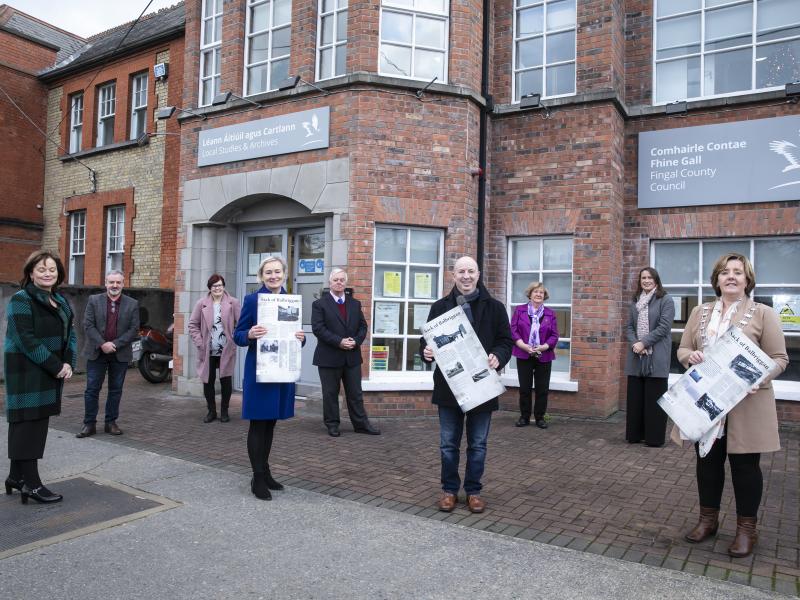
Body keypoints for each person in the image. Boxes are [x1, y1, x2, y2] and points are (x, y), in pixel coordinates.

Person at [676, 253, 787, 558]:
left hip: (747, 404)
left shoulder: (764, 313)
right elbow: (684, 348)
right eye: (725, 272)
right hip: (707, 404)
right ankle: (708, 520)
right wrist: (690, 357)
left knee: (745, 468)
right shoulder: (700, 312)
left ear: (747, 279)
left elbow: (780, 358)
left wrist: (759, 378)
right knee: (707, 465)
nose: (731, 276)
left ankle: (746, 530)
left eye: (738, 272)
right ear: (717, 280)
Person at [420, 256, 513, 514]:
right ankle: (449, 491)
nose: (466, 276)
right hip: (449, 388)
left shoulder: (495, 308)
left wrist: (499, 356)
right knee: (448, 443)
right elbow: (425, 342)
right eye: (461, 271)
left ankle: (473, 492)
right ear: (453, 275)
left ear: (478, 274)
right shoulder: (440, 307)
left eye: (471, 271)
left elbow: (506, 341)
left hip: (482, 388)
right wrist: (426, 351)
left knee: (478, 444)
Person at [4, 250, 76, 504]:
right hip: (26, 371)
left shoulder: (61, 300)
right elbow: (26, 339)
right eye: (42, 269)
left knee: (34, 422)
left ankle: (15, 476)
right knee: (27, 424)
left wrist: (69, 362)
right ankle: (32, 484)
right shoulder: (21, 299)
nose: (47, 273)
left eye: (52, 270)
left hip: (50, 370)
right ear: (31, 273)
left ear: (59, 274)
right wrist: (56, 366)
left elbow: (71, 334)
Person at [233, 256, 305, 500]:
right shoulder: (253, 300)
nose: (273, 276)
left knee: (271, 422)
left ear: (284, 273)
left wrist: (300, 339)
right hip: (260, 369)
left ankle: (265, 471)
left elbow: (294, 338)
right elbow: (238, 335)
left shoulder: (289, 300)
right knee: (258, 423)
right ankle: (257, 478)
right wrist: (250, 333)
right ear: (261, 276)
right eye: (268, 272)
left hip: (282, 370)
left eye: (277, 272)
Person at [312, 268, 380, 437]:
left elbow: (363, 326)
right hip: (329, 357)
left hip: (352, 356)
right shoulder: (319, 304)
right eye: (336, 280)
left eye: (342, 280)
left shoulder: (354, 303)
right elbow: (318, 329)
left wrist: (355, 341)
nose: (339, 282)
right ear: (330, 282)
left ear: (346, 282)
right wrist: (339, 342)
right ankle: (332, 424)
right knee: (330, 393)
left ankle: (361, 424)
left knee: (355, 393)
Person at [77, 270, 140, 438]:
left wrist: (114, 344)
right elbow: (88, 325)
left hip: (119, 354)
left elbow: (133, 329)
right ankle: (89, 424)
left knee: (115, 390)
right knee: (91, 390)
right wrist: (102, 344)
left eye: (118, 282)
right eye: (111, 282)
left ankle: (110, 423)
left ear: (123, 284)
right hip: (97, 352)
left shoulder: (132, 303)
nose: (114, 285)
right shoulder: (93, 300)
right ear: (105, 283)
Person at [624, 267, 674, 446]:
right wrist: (635, 344)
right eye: (643, 278)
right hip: (637, 355)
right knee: (636, 399)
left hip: (656, 356)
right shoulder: (635, 301)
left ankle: (654, 438)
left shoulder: (665, 300)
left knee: (654, 400)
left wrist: (643, 342)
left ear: (656, 280)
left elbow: (664, 327)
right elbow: (629, 327)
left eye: (649, 277)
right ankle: (635, 435)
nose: (646, 280)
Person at [188, 274, 241, 423]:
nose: (217, 288)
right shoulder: (201, 304)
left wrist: (233, 339)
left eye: (220, 285)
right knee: (208, 381)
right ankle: (211, 411)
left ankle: (224, 411)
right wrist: (199, 342)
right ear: (210, 288)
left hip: (226, 349)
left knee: (226, 380)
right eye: (214, 286)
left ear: (224, 286)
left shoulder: (233, 302)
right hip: (207, 350)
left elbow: (241, 323)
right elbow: (192, 325)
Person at [510, 282, 560, 429]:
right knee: (524, 388)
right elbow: (513, 330)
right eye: (536, 292)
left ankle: (540, 418)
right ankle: (524, 417)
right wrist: (523, 345)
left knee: (542, 389)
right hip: (523, 353)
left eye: (541, 293)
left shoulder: (550, 313)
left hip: (543, 355)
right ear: (530, 294)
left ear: (544, 296)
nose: (539, 294)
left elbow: (555, 335)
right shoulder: (519, 311)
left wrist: (544, 347)